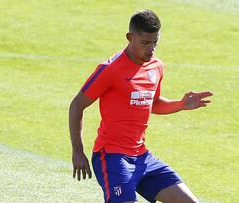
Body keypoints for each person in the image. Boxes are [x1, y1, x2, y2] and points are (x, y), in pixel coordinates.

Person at [69, 9, 213, 203]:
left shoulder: (156, 67)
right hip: (112, 157)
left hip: (142, 157)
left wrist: (180, 104)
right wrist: (78, 151)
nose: (151, 49)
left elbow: (153, 103)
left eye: (155, 43)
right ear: (130, 37)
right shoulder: (110, 69)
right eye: (145, 43)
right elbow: (77, 105)